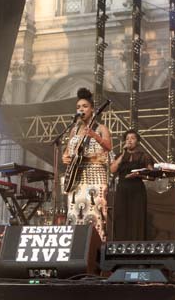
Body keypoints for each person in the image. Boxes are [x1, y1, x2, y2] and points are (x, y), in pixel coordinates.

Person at [62, 88, 112, 241]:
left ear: (92, 109)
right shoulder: (74, 130)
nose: (81, 109)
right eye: (78, 107)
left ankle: (96, 246)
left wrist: (94, 135)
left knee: (95, 211)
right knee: (74, 211)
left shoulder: (101, 128)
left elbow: (109, 147)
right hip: (76, 176)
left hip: (95, 173)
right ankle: (75, 245)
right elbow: (67, 151)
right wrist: (65, 157)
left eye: (84, 106)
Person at [110, 129, 154, 240]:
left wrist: (138, 175)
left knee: (136, 216)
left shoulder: (144, 156)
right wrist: (123, 154)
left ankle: (137, 243)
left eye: (132, 138)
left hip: (137, 189)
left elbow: (152, 175)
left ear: (138, 141)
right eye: (127, 138)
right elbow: (112, 169)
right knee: (121, 216)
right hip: (122, 189)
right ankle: (120, 244)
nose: (129, 141)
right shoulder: (120, 156)